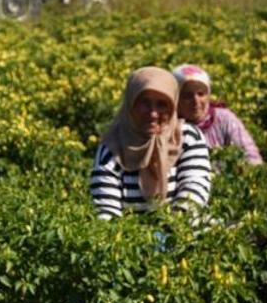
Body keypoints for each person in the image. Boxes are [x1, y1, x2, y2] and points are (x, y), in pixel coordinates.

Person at [89, 67, 212, 220]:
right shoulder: (112, 147)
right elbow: (106, 210)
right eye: (144, 103)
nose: (153, 113)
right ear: (131, 103)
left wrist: (173, 232)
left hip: (185, 234)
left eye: (162, 104)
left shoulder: (187, 137)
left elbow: (194, 190)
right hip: (129, 239)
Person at [172, 64, 262, 165]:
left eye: (201, 94)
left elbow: (250, 154)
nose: (196, 101)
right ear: (176, 98)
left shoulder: (224, 118)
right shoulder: (169, 124)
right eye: (187, 95)